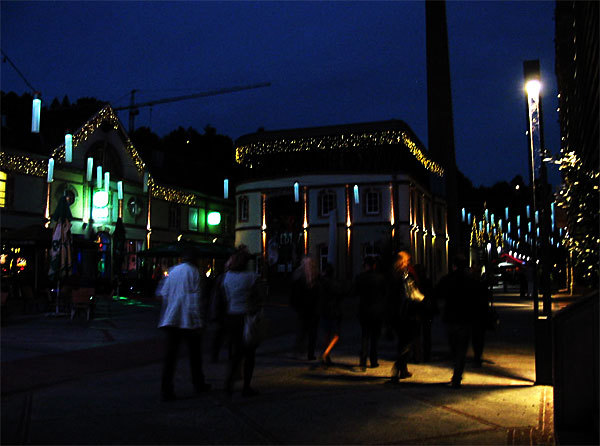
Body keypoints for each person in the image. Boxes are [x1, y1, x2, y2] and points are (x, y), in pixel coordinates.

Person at [157, 247, 210, 402]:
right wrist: (200, 321)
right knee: (195, 355)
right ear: (195, 259)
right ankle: (198, 383)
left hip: (171, 319)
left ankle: (166, 389)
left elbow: (162, 294)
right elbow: (197, 300)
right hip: (189, 320)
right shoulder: (196, 273)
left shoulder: (173, 271)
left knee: (170, 357)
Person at [434, 254, 480, 388]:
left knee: (454, 346)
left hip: (450, 318)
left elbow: (438, 294)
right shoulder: (470, 281)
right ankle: (457, 373)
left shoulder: (447, 279)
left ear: (454, 266)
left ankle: (457, 370)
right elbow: (476, 299)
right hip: (465, 318)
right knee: (462, 347)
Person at [222, 246, 261, 397]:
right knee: (250, 354)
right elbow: (258, 297)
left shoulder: (227, 277)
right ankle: (246, 386)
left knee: (236, 352)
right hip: (246, 317)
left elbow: (225, 297)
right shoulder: (251, 277)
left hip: (232, 316)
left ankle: (229, 384)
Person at [386, 250, 422, 382]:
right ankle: (396, 370)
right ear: (402, 261)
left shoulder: (393, 273)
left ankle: (402, 370)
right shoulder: (404, 274)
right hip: (406, 312)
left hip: (397, 312)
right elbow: (411, 293)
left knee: (403, 341)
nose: (408, 262)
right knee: (406, 342)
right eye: (406, 260)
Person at [355, 256, 386, 370]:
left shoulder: (360, 278)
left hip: (364, 310)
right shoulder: (380, 278)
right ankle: (373, 360)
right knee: (374, 338)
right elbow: (384, 294)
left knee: (365, 336)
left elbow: (355, 291)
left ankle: (363, 360)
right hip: (377, 311)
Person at [290, 257, 320, 360]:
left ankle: (307, 352)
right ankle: (301, 351)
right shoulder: (300, 278)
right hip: (305, 309)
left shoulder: (314, 276)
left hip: (310, 309)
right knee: (304, 331)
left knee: (309, 332)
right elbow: (294, 294)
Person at [319, 263, 344, 366]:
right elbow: (340, 295)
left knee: (327, 334)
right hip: (333, 311)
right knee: (336, 335)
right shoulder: (335, 283)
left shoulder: (321, 283)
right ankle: (326, 353)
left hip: (325, 310)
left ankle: (326, 354)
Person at [470, 264, 492, 368]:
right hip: (480, 313)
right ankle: (477, 355)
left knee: (476, 336)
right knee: (479, 337)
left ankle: (477, 355)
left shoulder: (471, 284)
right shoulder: (482, 284)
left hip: (475, 313)